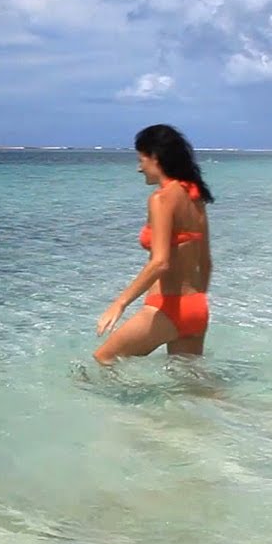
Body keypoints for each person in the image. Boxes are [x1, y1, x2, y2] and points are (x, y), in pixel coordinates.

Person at [94, 124, 215, 364]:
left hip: (166, 308)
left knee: (103, 360)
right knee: (191, 391)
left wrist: (119, 304)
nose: (140, 168)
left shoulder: (161, 199)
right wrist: (195, 303)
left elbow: (160, 262)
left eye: (141, 159)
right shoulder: (195, 196)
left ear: (155, 157)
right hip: (197, 307)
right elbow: (206, 263)